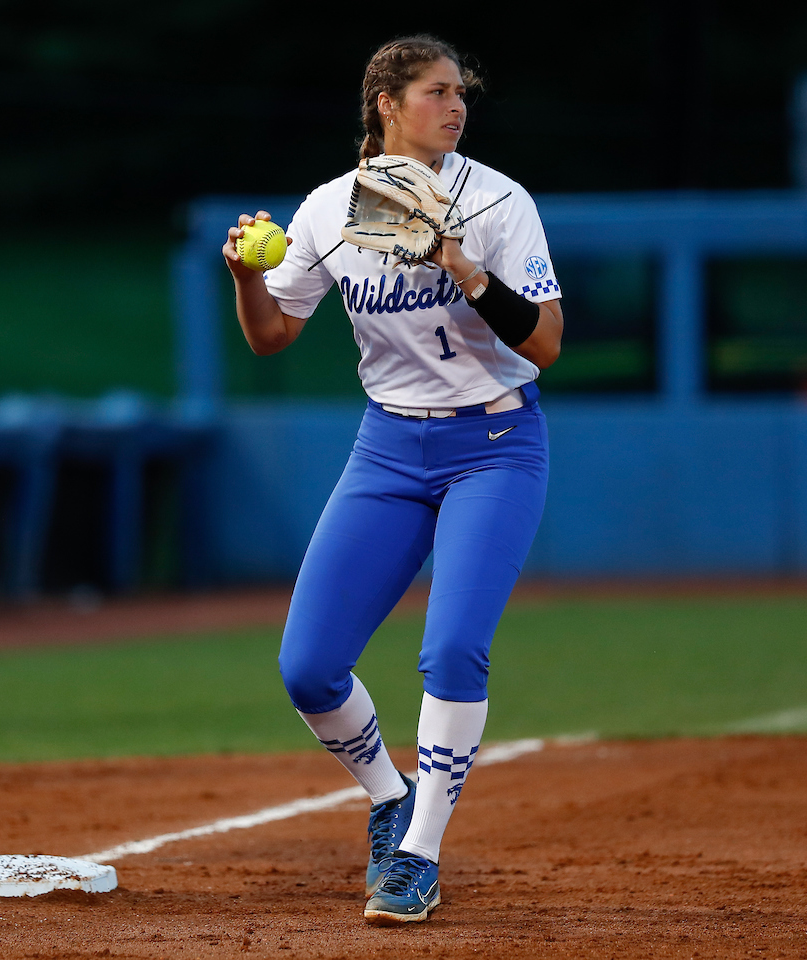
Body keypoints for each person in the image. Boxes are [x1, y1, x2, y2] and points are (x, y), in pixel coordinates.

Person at [222, 35, 563, 925]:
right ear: (386, 103)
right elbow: (271, 335)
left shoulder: (494, 200)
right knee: (308, 668)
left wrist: (463, 265)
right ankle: (389, 798)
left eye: (461, 94)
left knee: (451, 650)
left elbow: (546, 343)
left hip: (494, 441)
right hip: (388, 450)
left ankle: (417, 857)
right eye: (436, 92)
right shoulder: (331, 209)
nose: (456, 107)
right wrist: (243, 279)